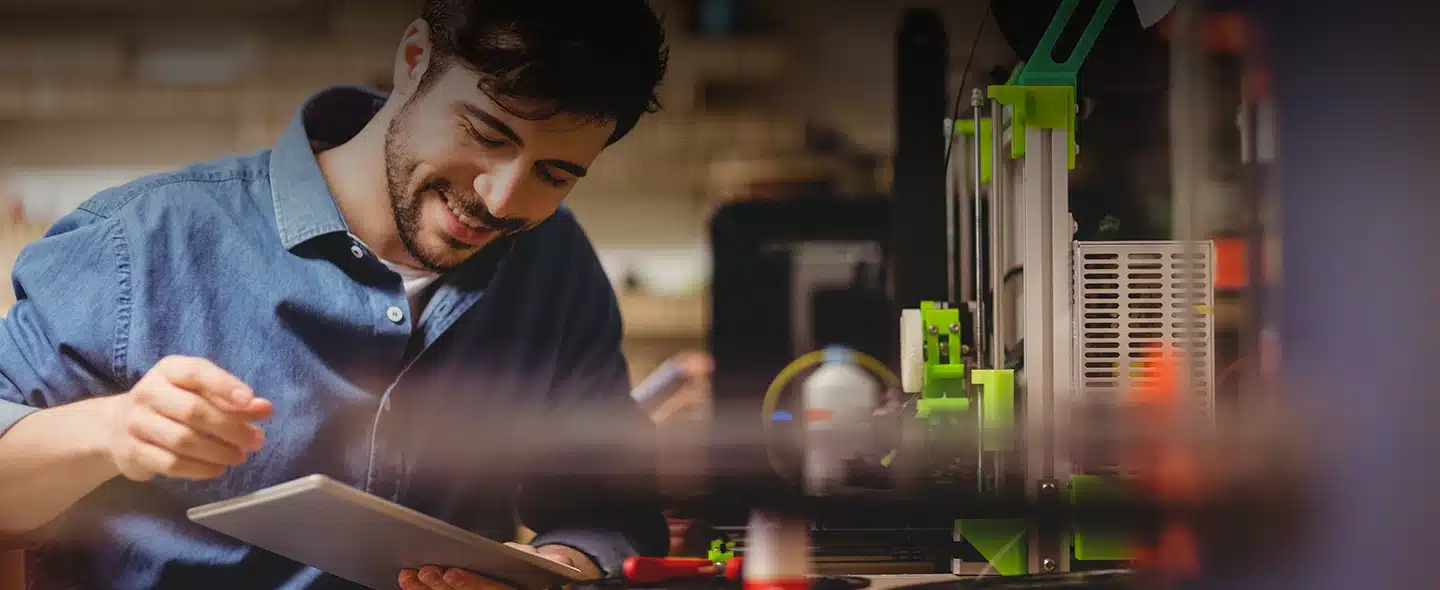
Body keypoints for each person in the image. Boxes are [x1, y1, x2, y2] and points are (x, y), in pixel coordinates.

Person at [0, 1, 671, 589]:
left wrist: (555, 573)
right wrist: (113, 431)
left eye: (554, 175)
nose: (501, 199)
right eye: (488, 135)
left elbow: (606, 512)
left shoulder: (554, 263)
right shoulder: (140, 241)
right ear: (414, 59)